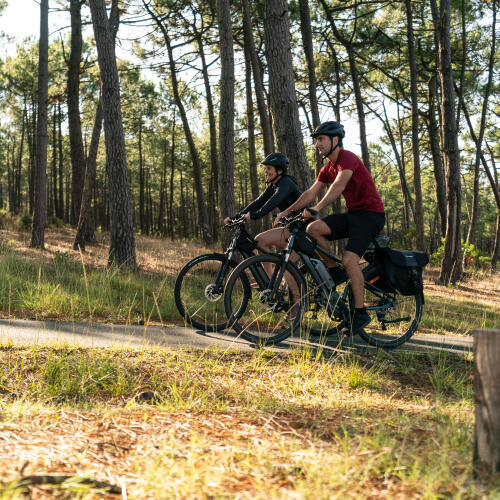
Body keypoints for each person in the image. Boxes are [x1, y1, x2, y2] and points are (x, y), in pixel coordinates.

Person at [274, 121, 385, 333]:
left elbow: (338, 186)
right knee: (313, 229)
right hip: (354, 215)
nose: (317, 144)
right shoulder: (328, 167)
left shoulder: (348, 159)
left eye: (321, 139)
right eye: (316, 140)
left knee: (350, 260)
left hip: (371, 216)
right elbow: (309, 192)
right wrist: (286, 212)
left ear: (335, 140)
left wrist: (317, 207)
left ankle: (360, 313)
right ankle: (334, 272)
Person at [224, 153, 302, 253]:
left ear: (279, 170)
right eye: (266, 168)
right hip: (292, 228)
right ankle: (266, 270)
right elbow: (258, 202)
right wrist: (236, 217)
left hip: (303, 229)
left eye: (269, 168)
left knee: (286, 269)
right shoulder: (273, 186)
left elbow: (273, 201)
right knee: (260, 241)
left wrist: (255, 215)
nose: (266, 172)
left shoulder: (286, 182)